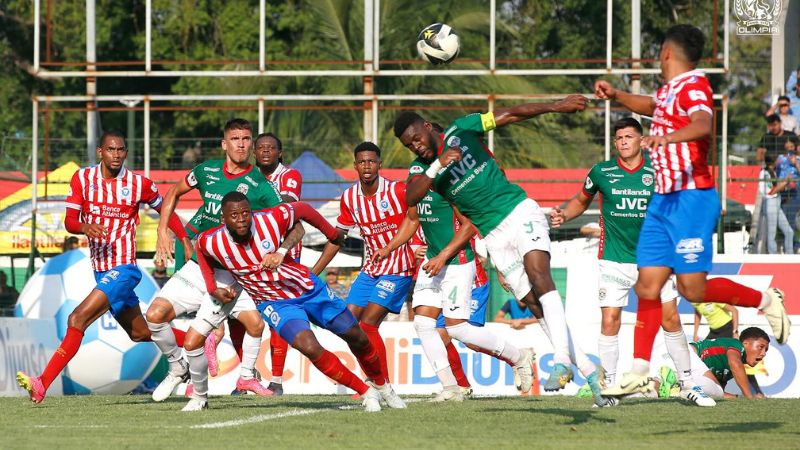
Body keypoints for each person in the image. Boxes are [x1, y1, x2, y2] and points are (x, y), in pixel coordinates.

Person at [594, 24, 789, 406]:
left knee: (692, 290)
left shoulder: (694, 84)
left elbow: (703, 123)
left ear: (667, 53)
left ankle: (766, 300)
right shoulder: (667, 92)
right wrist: (617, 96)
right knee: (648, 287)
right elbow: (654, 109)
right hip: (662, 202)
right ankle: (637, 372)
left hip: (690, 198)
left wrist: (665, 138)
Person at [393, 95, 606, 400]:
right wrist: (436, 165)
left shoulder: (461, 131)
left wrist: (555, 105)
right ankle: (588, 369)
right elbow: (411, 197)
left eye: (416, 138)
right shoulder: (424, 170)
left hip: (518, 211)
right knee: (533, 302)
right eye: (408, 145)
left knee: (539, 274)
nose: (415, 146)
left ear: (427, 127)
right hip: (494, 237)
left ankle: (560, 360)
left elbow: (509, 114)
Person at [16, 131, 189, 404]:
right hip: (101, 269)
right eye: (111, 149)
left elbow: (166, 207)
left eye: (121, 149)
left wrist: (181, 238)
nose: (117, 154)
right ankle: (199, 338)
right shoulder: (83, 179)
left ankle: (41, 383)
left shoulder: (137, 184)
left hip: (124, 268)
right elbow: (70, 221)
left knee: (76, 319)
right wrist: (85, 227)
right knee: (141, 332)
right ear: (100, 152)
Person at [197, 193, 403, 412]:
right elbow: (201, 252)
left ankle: (383, 386)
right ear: (223, 219)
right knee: (309, 347)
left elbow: (302, 209)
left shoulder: (269, 219)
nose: (241, 219)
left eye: (245, 213)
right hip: (275, 303)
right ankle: (365, 391)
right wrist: (213, 289)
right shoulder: (211, 241)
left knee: (357, 337)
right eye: (234, 215)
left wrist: (331, 234)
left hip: (307, 288)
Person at [146, 118, 298, 405]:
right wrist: (161, 230)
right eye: (236, 139)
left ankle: (244, 376)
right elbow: (172, 193)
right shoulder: (206, 171)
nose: (241, 144)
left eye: (246, 139)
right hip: (200, 266)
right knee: (154, 316)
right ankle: (178, 367)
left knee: (255, 325)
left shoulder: (260, 185)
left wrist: (277, 249)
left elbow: (291, 221)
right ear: (224, 144)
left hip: (233, 275)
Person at [550, 117, 687, 399]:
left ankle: (689, 383)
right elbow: (580, 200)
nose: (623, 142)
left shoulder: (657, 171)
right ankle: (610, 386)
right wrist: (565, 214)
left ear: (641, 140)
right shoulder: (602, 171)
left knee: (670, 319)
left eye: (628, 137)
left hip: (654, 260)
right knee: (610, 319)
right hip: (613, 258)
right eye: (619, 138)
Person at [379, 182, 534, 402]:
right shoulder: (416, 193)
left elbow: (483, 234)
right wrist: (394, 248)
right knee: (425, 325)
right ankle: (454, 387)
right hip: (433, 269)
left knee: (461, 334)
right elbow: (412, 231)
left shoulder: (455, 190)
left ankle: (517, 357)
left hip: (470, 277)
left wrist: (500, 270)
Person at [312, 142, 416, 389]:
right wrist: (313, 273)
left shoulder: (397, 191)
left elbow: (416, 220)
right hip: (371, 268)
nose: (367, 166)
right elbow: (338, 237)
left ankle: (383, 384)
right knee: (349, 326)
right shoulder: (349, 197)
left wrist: (420, 246)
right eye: (362, 162)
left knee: (368, 325)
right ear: (355, 166)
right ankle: (372, 379)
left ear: (379, 164)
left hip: (399, 266)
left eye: (371, 161)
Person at [253, 131, 304, 396]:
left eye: (270, 148)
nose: (265, 151)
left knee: (277, 317)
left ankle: (276, 380)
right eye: (260, 147)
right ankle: (247, 374)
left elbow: (286, 206)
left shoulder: (290, 176)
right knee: (243, 317)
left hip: (284, 255)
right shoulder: (247, 176)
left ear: (279, 152)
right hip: (250, 256)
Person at [758, 153, 794, 254]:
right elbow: (771, 191)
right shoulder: (764, 173)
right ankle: (772, 256)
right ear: (773, 161)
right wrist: (784, 183)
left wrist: (785, 184)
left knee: (789, 232)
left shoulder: (772, 171)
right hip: (771, 203)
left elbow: (776, 187)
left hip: (777, 202)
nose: (779, 160)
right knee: (772, 233)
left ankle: (790, 255)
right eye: (777, 159)